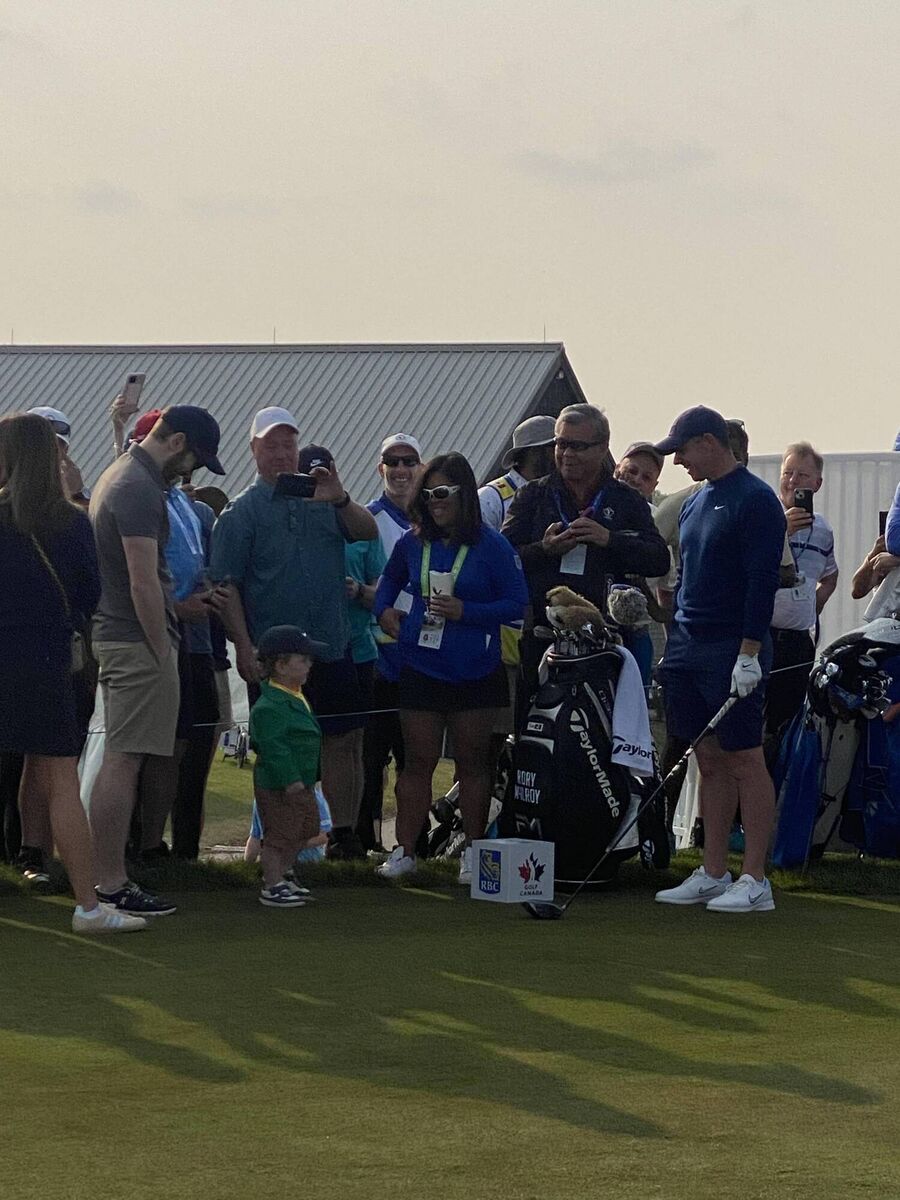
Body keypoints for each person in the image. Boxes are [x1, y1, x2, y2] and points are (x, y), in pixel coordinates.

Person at [210, 407, 378, 858]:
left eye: (288, 444)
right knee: (283, 753)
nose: (282, 454)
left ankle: (343, 836)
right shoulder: (241, 512)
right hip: (275, 658)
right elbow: (226, 587)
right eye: (271, 445)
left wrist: (339, 497)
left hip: (329, 643)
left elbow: (368, 531)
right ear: (254, 451)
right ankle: (281, 844)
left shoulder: (323, 498)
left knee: (341, 742)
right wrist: (244, 648)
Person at [0, 414, 145, 933]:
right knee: (59, 778)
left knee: (51, 776)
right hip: (45, 659)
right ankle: (87, 905)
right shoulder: (70, 521)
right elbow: (88, 595)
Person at [88, 405, 225, 916]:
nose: (189, 471)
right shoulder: (138, 487)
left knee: (125, 759)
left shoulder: (128, 477)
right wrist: (160, 646)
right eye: (193, 459)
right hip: (137, 641)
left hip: (126, 637)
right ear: (177, 442)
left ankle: (108, 878)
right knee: (124, 761)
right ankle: (110, 881)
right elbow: (143, 579)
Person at [653, 406, 785, 913]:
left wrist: (749, 652)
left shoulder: (755, 500)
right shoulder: (694, 501)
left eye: (683, 450)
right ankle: (712, 872)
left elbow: (761, 581)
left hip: (733, 647)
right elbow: (686, 573)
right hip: (688, 643)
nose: (679, 460)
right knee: (707, 757)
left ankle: (755, 879)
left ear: (710, 442)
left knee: (745, 757)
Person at [374, 452, 528, 884]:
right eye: (428, 493)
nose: (434, 501)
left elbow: (517, 604)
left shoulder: (492, 545)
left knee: (473, 765)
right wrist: (384, 611)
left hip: (476, 669)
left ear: (464, 495)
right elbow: (389, 581)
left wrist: (467, 611)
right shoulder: (412, 541)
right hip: (422, 665)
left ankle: (473, 855)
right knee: (416, 762)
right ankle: (404, 852)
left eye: (442, 493)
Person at [502, 404, 668, 705]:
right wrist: (544, 549)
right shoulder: (534, 495)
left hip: (606, 641)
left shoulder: (625, 499)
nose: (567, 454)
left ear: (603, 447)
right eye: (561, 444)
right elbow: (502, 560)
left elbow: (658, 559)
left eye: (578, 446)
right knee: (537, 738)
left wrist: (610, 540)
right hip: (544, 636)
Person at [359, 433, 423, 852]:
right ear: (381, 468)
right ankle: (364, 840)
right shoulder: (366, 520)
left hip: (421, 656)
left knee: (415, 759)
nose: (400, 470)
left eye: (408, 462)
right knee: (370, 757)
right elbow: (358, 584)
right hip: (378, 654)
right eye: (392, 462)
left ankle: (410, 843)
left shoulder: (431, 523)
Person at [765, 443, 839, 741]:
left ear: (817, 484)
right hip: (761, 637)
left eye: (802, 475)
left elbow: (831, 577)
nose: (793, 481)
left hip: (798, 642)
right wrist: (782, 532)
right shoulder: (767, 518)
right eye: (788, 473)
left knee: (786, 726)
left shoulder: (822, 529)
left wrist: (812, 607)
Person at [249, 626, 325, 907]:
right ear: (280, 665)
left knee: (305, 828)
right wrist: (290, 778)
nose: (309, 665)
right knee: (280, 834)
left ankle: (285, 873)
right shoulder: (269, 706)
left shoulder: (296, 695)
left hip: (302, 781)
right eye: (302, 659)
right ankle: (272, 883)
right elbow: (273, 748)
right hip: (280, 785)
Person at [477, 415, 556, 531]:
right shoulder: (489, 499)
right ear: (534, 452)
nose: (563, 454)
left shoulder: (561, 493)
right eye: (554, 447)